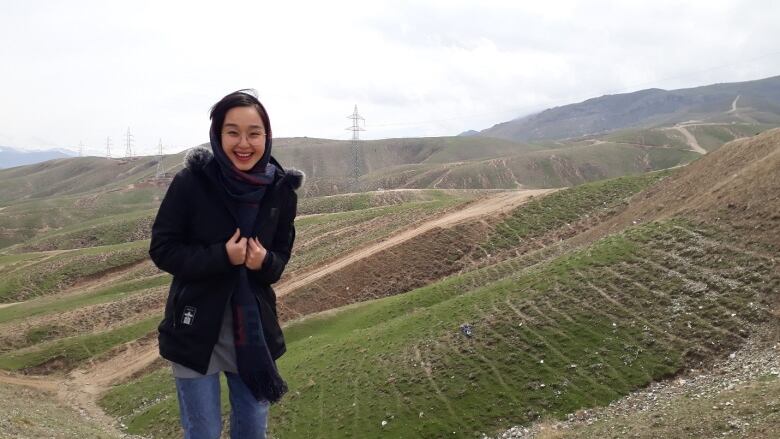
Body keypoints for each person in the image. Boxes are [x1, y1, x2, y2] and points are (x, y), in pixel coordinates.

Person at [149, 89, 304, 438]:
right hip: (195, 329)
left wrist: (263, 261)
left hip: (252, 332)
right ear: (218, 136)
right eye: (232, 132)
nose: (243, 143)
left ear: (267, 135)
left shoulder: (280, 190)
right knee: (201, 432)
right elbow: (163, 248)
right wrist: (222, 256)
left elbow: (279, 261)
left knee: (252, 431)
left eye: (254, 132)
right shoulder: (192, 182)